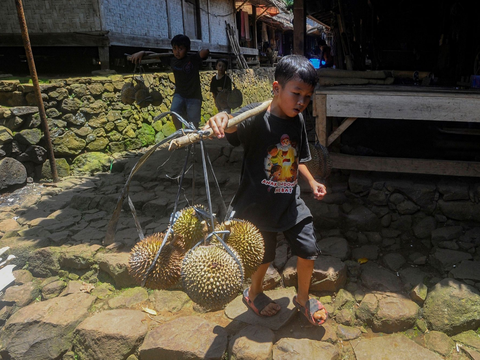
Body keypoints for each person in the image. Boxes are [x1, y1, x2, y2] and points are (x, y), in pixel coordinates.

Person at [205, 55, 328, 326]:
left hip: (289, 200)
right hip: (257, 204)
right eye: (296, 94)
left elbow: (297, 159)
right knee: (264, 255)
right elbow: (233, 123)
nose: (301, 102)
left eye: (307, 97)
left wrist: (310, 181)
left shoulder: (296, 120)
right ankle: (254, 292)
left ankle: (303, 298)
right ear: (276, 88)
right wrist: (223, 117)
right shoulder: (255, 118)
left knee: (308, 248)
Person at [129, 34, 209, 129]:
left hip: (194, 96)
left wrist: (201, 52)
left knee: (193, 122)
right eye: (174, 48)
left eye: (180, 49)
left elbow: (205, 52)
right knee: (174, 112)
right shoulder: (172, 60)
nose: (177, 52)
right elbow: (154, 55)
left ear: (188, 49)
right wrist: (142, 52)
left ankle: (192, 141)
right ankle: (179, 133)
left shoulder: (192, 59)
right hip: (179, 94)